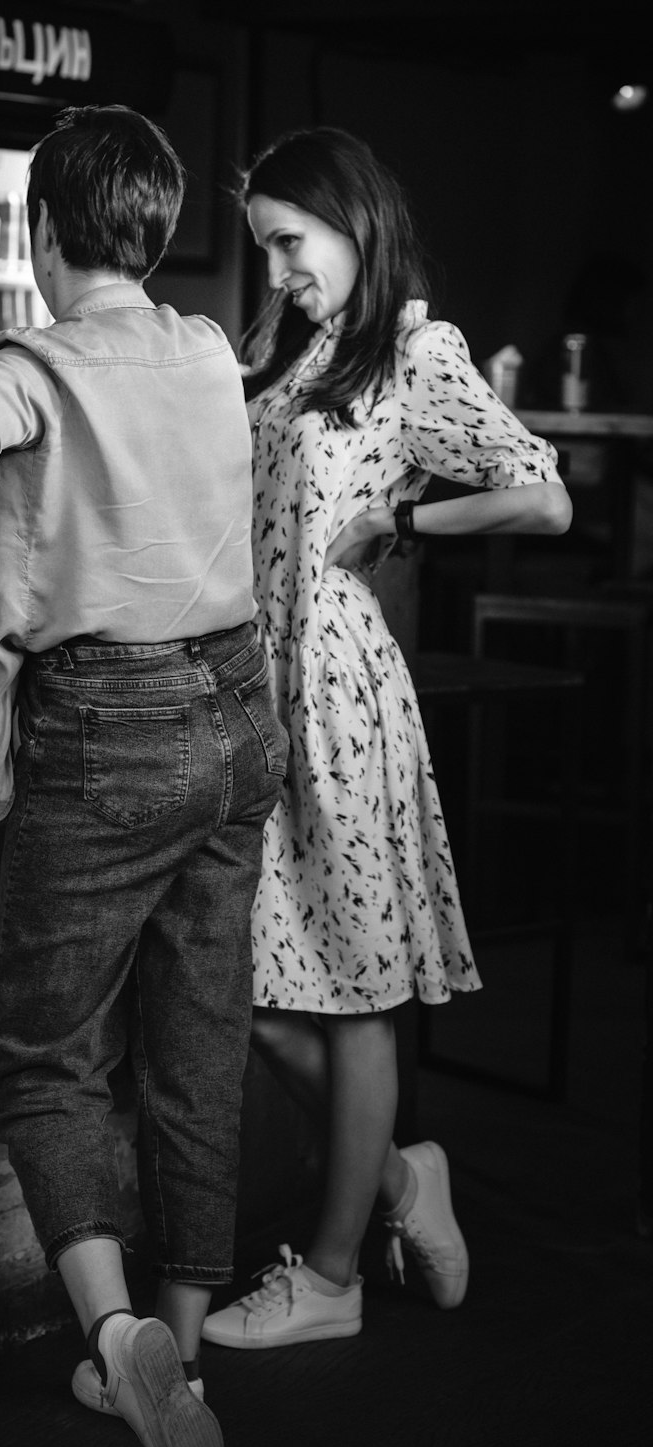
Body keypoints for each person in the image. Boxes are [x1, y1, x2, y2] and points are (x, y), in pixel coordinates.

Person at [0, 104, 288, 1447]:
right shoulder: (210, 345)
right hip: (237, 713)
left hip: (108, 733)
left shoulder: (34, 362)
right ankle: (183, 1342)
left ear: (39, 234)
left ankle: (109, 1331)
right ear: (155, 235)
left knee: (47, 1056)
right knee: (198, 1043)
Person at [200, 126, 573, 1351]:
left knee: (353, 994)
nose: (280, 270)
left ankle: (334, 1269)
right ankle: (407, 1180)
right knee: (246, 984)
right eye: (264, 249)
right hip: (255, 683)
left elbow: (541, 491)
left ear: (352, 221)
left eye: (291, 243)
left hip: (340, 691)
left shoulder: (417, 349)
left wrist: (405, 514)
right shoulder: (286, 344)